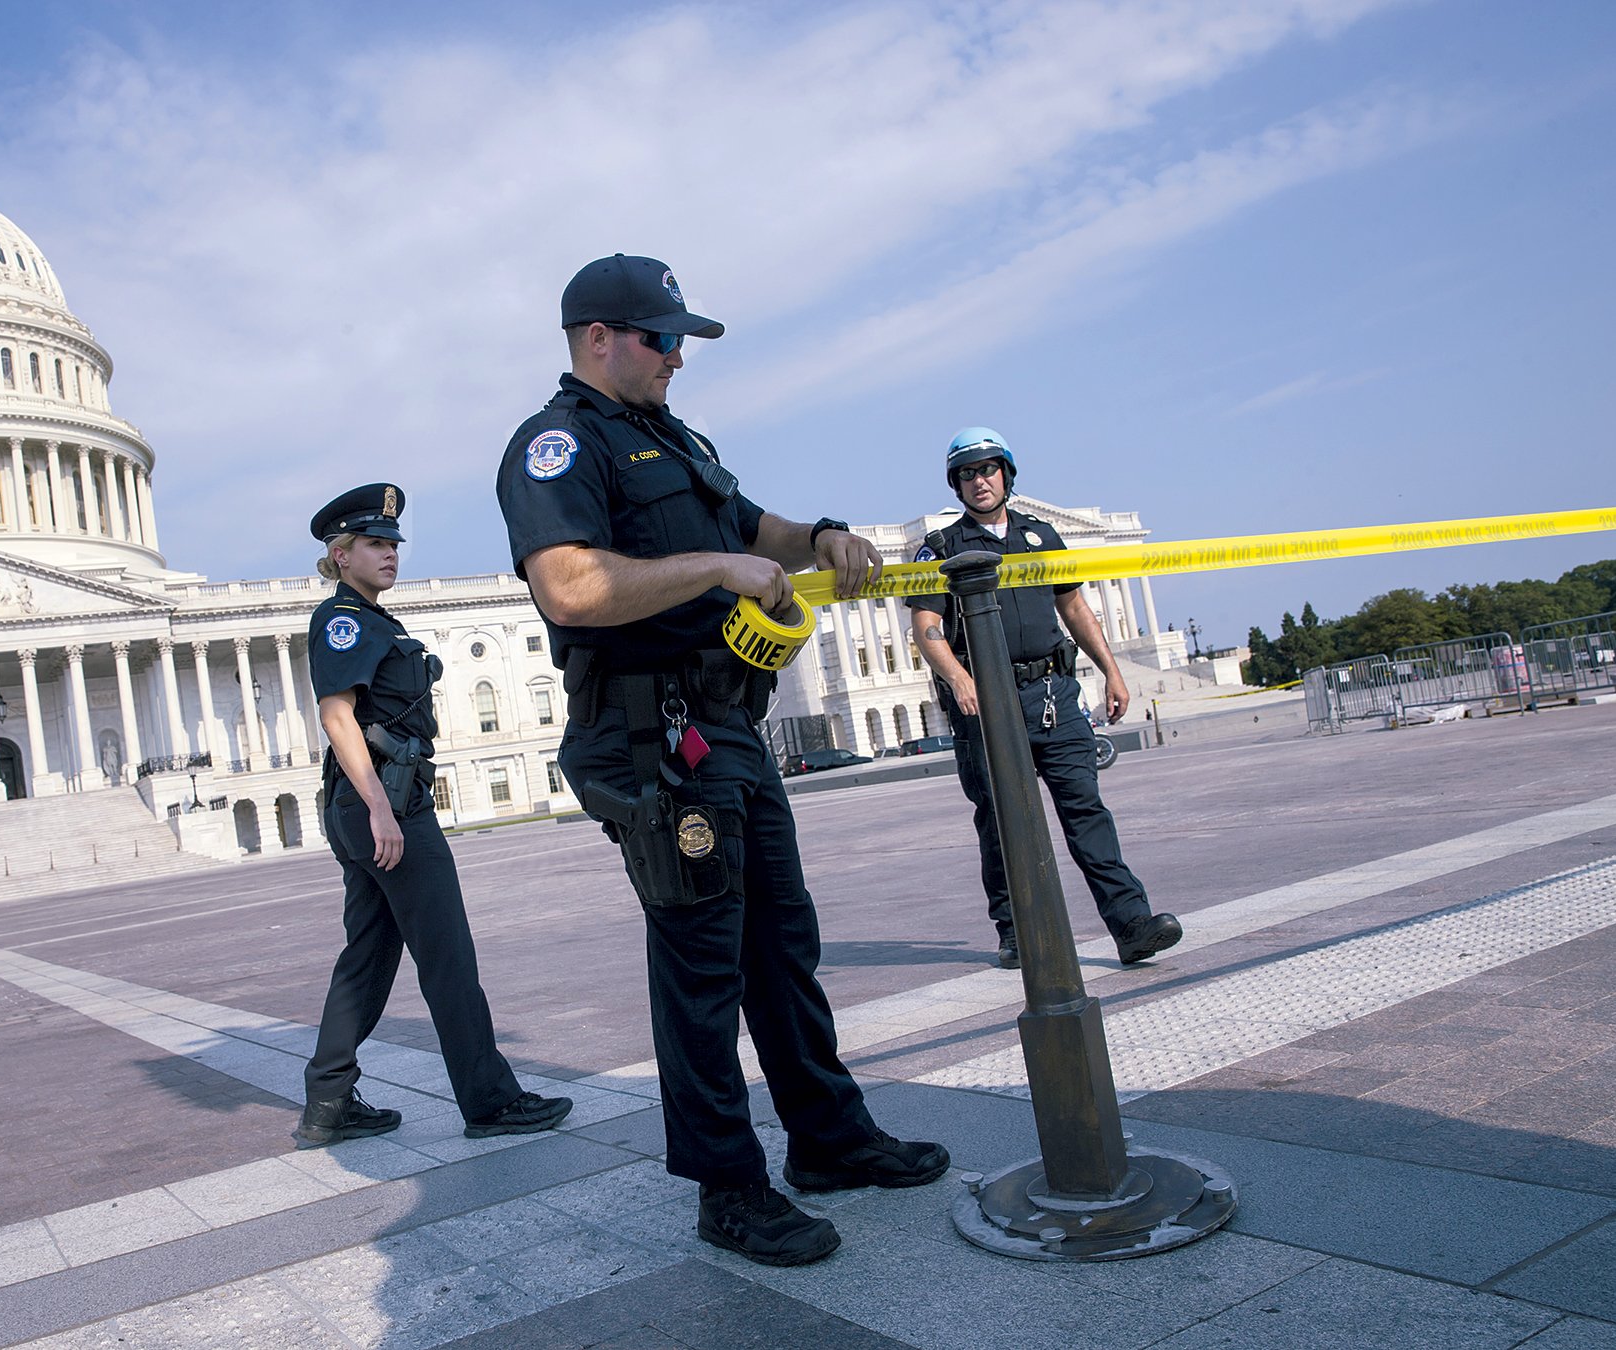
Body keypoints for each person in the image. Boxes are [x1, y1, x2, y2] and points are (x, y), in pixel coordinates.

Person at [496, 255, 949, 1268]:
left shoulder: (672, 438)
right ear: (597, 337)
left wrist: (820, 536)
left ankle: (828, 1140)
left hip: (726, 725)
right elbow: (568, 587)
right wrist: (717, 567)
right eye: (661, 338)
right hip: (653, 737)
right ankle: (727, 1188)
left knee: (781, 947)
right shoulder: (556, 446)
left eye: (682, 341)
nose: (677, 358)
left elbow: (754, 528)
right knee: (701, 966)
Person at [296, 483, 574, 1148]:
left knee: (367, 956)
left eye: (393, 542)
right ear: (340, 555)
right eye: (374, 543)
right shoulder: (342, 621)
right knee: (447, 954)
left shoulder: (374, 621)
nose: (391, 552)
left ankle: (329, 1101)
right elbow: (337, 717)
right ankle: (490, 1101)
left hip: (375, 801)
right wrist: (380, 812)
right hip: (384, 803)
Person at [907, 428, 1183, 970]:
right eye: (967, 473)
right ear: (955, 485)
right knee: (1002, 820)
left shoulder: (1042, 537)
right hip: (987, 707)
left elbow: (1075, 608)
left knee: (1086, 811)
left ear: (1006, 474)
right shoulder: (941, 548)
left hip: (1053, 695)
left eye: (988, 469)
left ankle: (1132, 925)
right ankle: (1016, 932)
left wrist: (1112, 671)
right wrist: (961, 680)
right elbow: (927, 626)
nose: (979, 481)